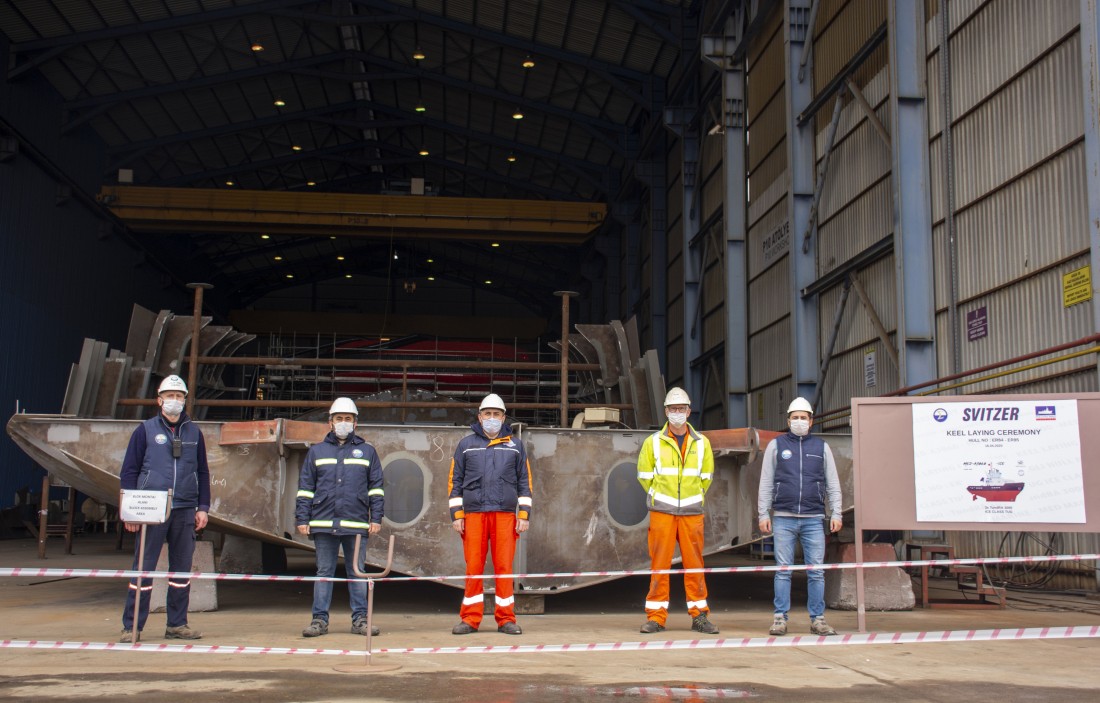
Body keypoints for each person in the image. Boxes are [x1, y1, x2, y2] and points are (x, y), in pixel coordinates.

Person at [118, 374, 209, 642]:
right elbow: (129, 471)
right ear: (159, 400)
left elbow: (203, 472)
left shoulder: (194, 433)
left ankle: (177, 625)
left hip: (185, 508)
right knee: (143, 569)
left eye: (179, 396)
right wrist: (129, 511)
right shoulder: (145, 430)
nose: (174, 401)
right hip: (151, 509)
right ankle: (132, 626)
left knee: (181, 570)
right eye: (170, 396)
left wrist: (203, 507)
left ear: (185, 400)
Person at [296, 397, 385, 638]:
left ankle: (360, 620)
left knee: (357, 572)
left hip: (356, 523)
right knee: (324, 573)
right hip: (323, 523)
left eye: (347, 418)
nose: (343, 422)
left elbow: (376, 488)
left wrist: (376, 518)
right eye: (339, 418)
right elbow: (305, 488)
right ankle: (319, 621)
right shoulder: (316, 451)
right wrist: (302, 518)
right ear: (330, 422)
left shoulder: (367, 452)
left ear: (355, 423)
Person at [636, 387, 719, 635]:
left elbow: (707, 477)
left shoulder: (702, 443)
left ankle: (699, 616)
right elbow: (644, 476)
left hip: (691, 512)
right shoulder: (652, 442)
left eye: (681, 409)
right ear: (666, 411)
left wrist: (692, 497)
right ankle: (656, 617)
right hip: (662, 511)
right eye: (673, 409)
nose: (677, 413)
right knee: (659, 565)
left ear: (689, 411)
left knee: (694, 565)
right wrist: (660, 496)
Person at [448, 393, 532, 635]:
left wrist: (523, 514)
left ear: (504, 418)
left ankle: (506, 619)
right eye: (488, 414)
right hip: (474, 515)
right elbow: (455, 481)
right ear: (479, 416)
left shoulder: (516, 446)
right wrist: (457, 515)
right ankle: (470, 619)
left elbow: (524, 481)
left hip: (504, 515)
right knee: (473, 567)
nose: (492, 418)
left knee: (504, 567)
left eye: (496, 414)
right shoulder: (465, 445)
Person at [757, 397, 842, 637]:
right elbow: (766, 481)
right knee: (783, 570)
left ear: (811, 421)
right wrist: (763, 513)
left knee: (816, 571)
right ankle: (779, 619)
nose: (799, 421)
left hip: (814, 518)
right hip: (783, 517)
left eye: (803, 417)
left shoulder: (821, 447)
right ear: (788, 421)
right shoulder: (777, 445)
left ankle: (818, 619)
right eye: (795, 418)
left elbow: (833, 483)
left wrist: (836, 512)